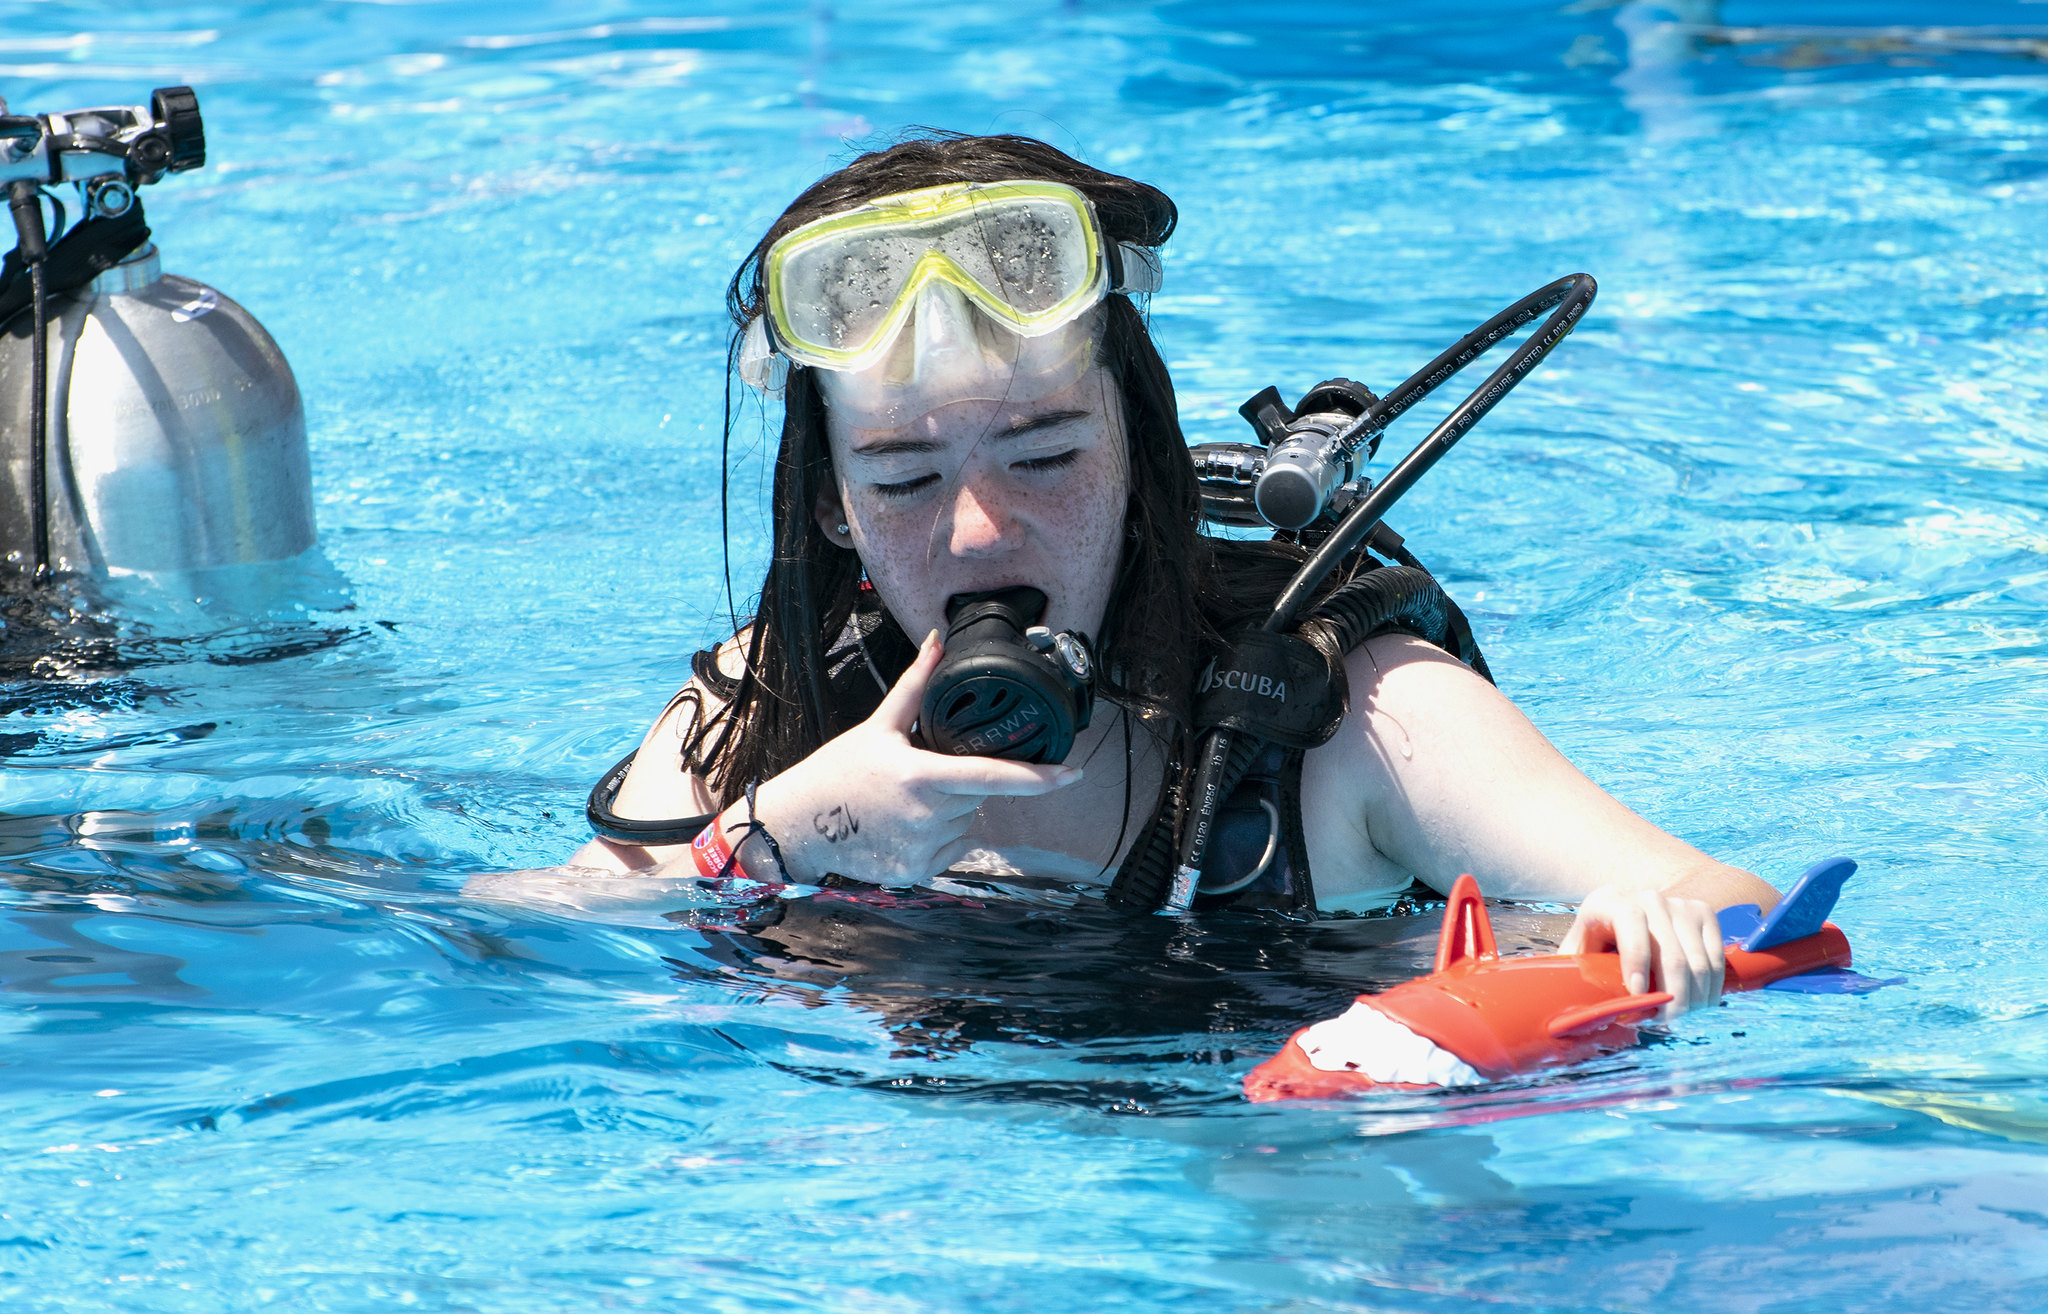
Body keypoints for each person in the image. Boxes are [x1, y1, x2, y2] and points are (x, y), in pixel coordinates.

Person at [567, 132, 1781, 1019]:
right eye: (901, 480)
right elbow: (512, 937)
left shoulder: (1353, 719)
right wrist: (777, 836)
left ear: (1137, 455)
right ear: (833, 511)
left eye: (1042, 454)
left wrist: (1661, 931)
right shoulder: (778, 705)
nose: (981, 532)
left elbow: (1737, 905)